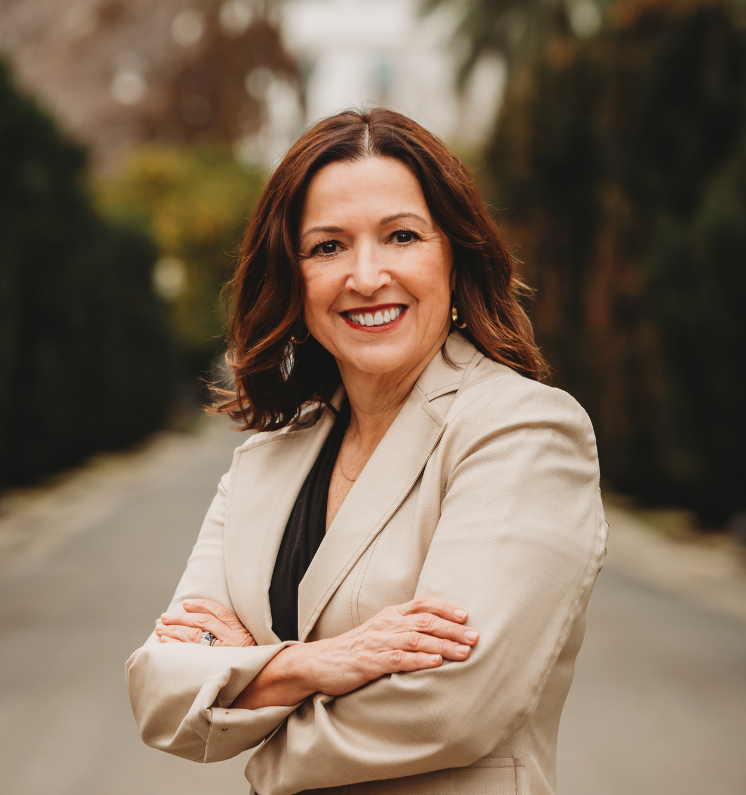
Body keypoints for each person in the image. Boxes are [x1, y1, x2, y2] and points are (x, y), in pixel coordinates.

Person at [126, 108, 607, 795]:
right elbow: (161, 690)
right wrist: (314, 664)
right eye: (327, 247)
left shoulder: (522, 432)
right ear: (293, 276)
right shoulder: (267, 461)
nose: (366, 275)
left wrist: (256, 722)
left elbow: (452, 705)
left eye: (401, 236)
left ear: (454, 253)